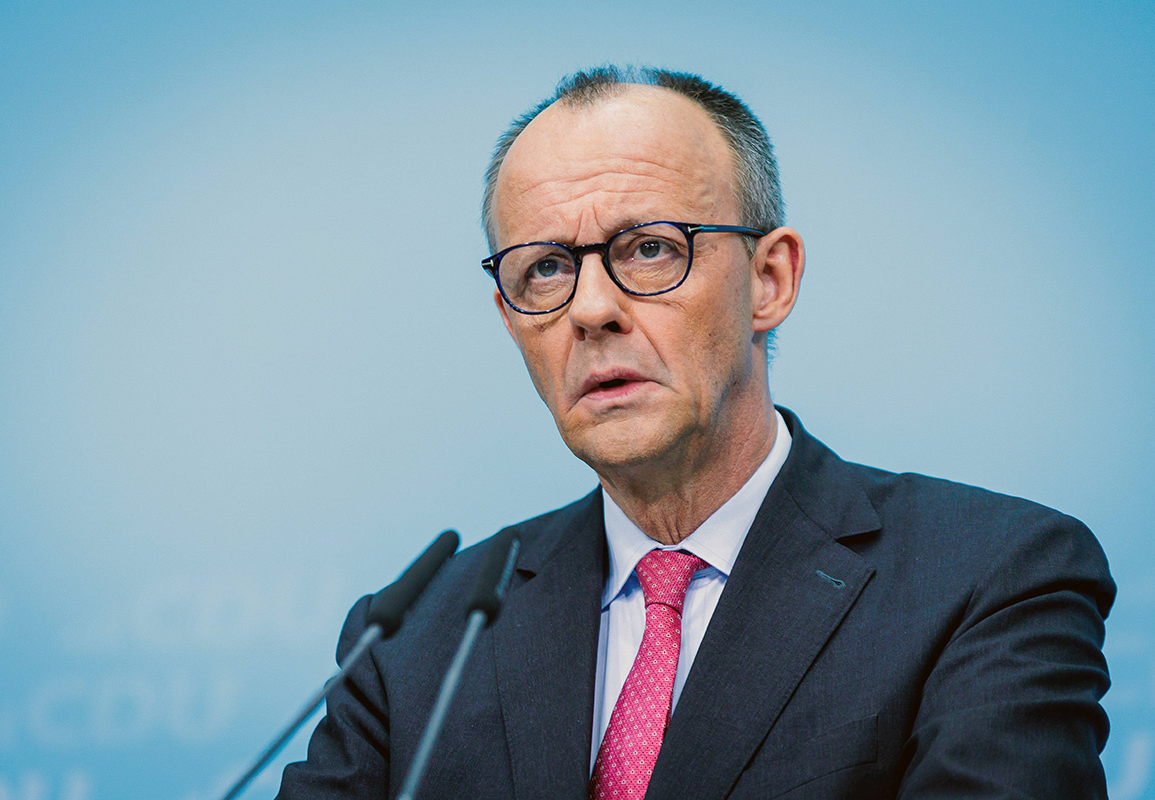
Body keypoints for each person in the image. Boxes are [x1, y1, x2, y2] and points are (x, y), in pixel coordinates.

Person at [276, 66, 1114, 799]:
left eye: (649, 249)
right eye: (546, 268)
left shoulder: (989, 577)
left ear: (770, 279)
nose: (591, 310)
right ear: (509, 317)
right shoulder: (418, 640)